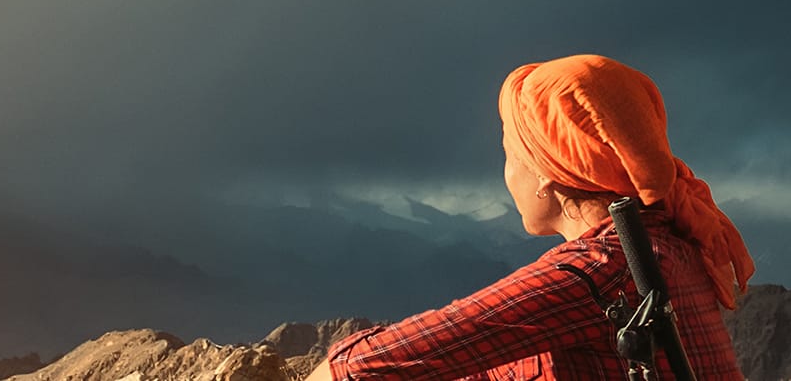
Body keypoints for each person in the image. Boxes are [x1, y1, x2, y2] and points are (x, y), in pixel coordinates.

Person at [304, 54, 752, 380]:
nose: (506, 174)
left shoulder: (597, 272)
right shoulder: (679, 244)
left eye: (510, 155)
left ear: (545, 173)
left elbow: (359, 369)